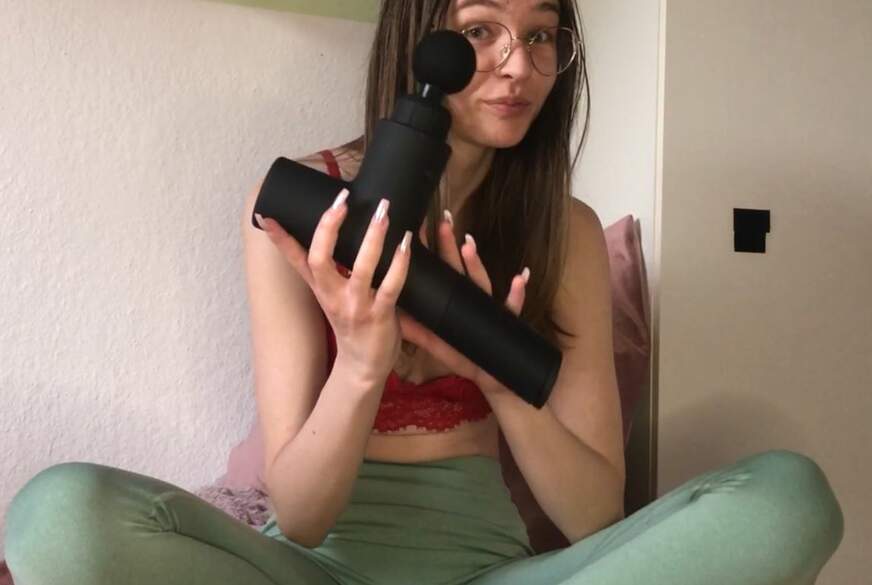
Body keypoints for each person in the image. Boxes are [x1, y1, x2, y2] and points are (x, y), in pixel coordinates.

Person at [4, 0, 844, 584]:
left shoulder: (566, 232)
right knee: (56, 517)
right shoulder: (299, 205)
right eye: (481, 31)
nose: (520, 66)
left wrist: (496, 377)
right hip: (310, 568)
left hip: (487, 567)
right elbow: (300, 515)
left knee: (789, 502)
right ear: (422, 41)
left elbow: (594, 516)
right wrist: (360, 362)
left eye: (542, 35)